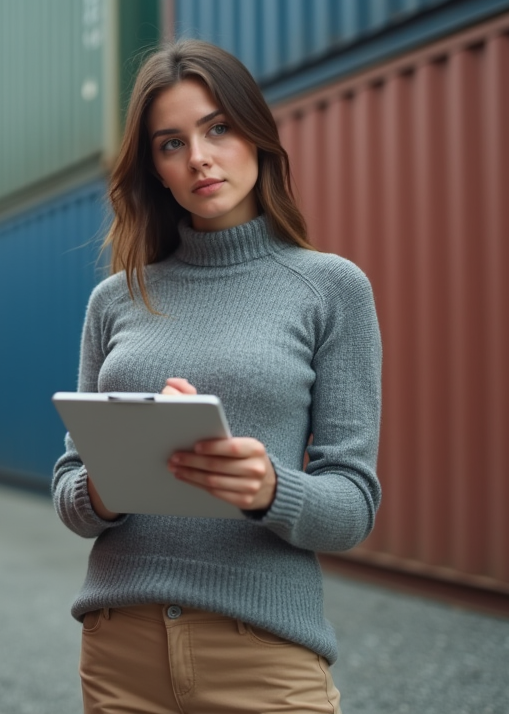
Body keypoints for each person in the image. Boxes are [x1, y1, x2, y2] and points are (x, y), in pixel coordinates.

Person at [51, 40, 382, 713]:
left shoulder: (330, 289)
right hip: (121, 650)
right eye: (171, 144)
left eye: (217, 129)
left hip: (261, 650)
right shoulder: (114, 300)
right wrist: (106, 490)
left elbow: (353, 507)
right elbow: (67, 490)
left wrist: (270, 489)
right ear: (156, 170)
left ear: (257, 135)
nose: (198, 157)